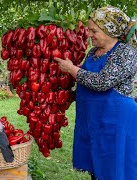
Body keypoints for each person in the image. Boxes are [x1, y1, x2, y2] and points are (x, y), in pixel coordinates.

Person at [55, 6, 137, 180]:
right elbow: (86, 82)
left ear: (110, 31)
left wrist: (71, 69)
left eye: (94, 31)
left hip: (115, 122)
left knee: (113, 167)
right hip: (92, 120)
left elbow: (102, 82)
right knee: (96, 163)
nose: (89, 34)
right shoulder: (93, 52)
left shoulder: (126, 53)